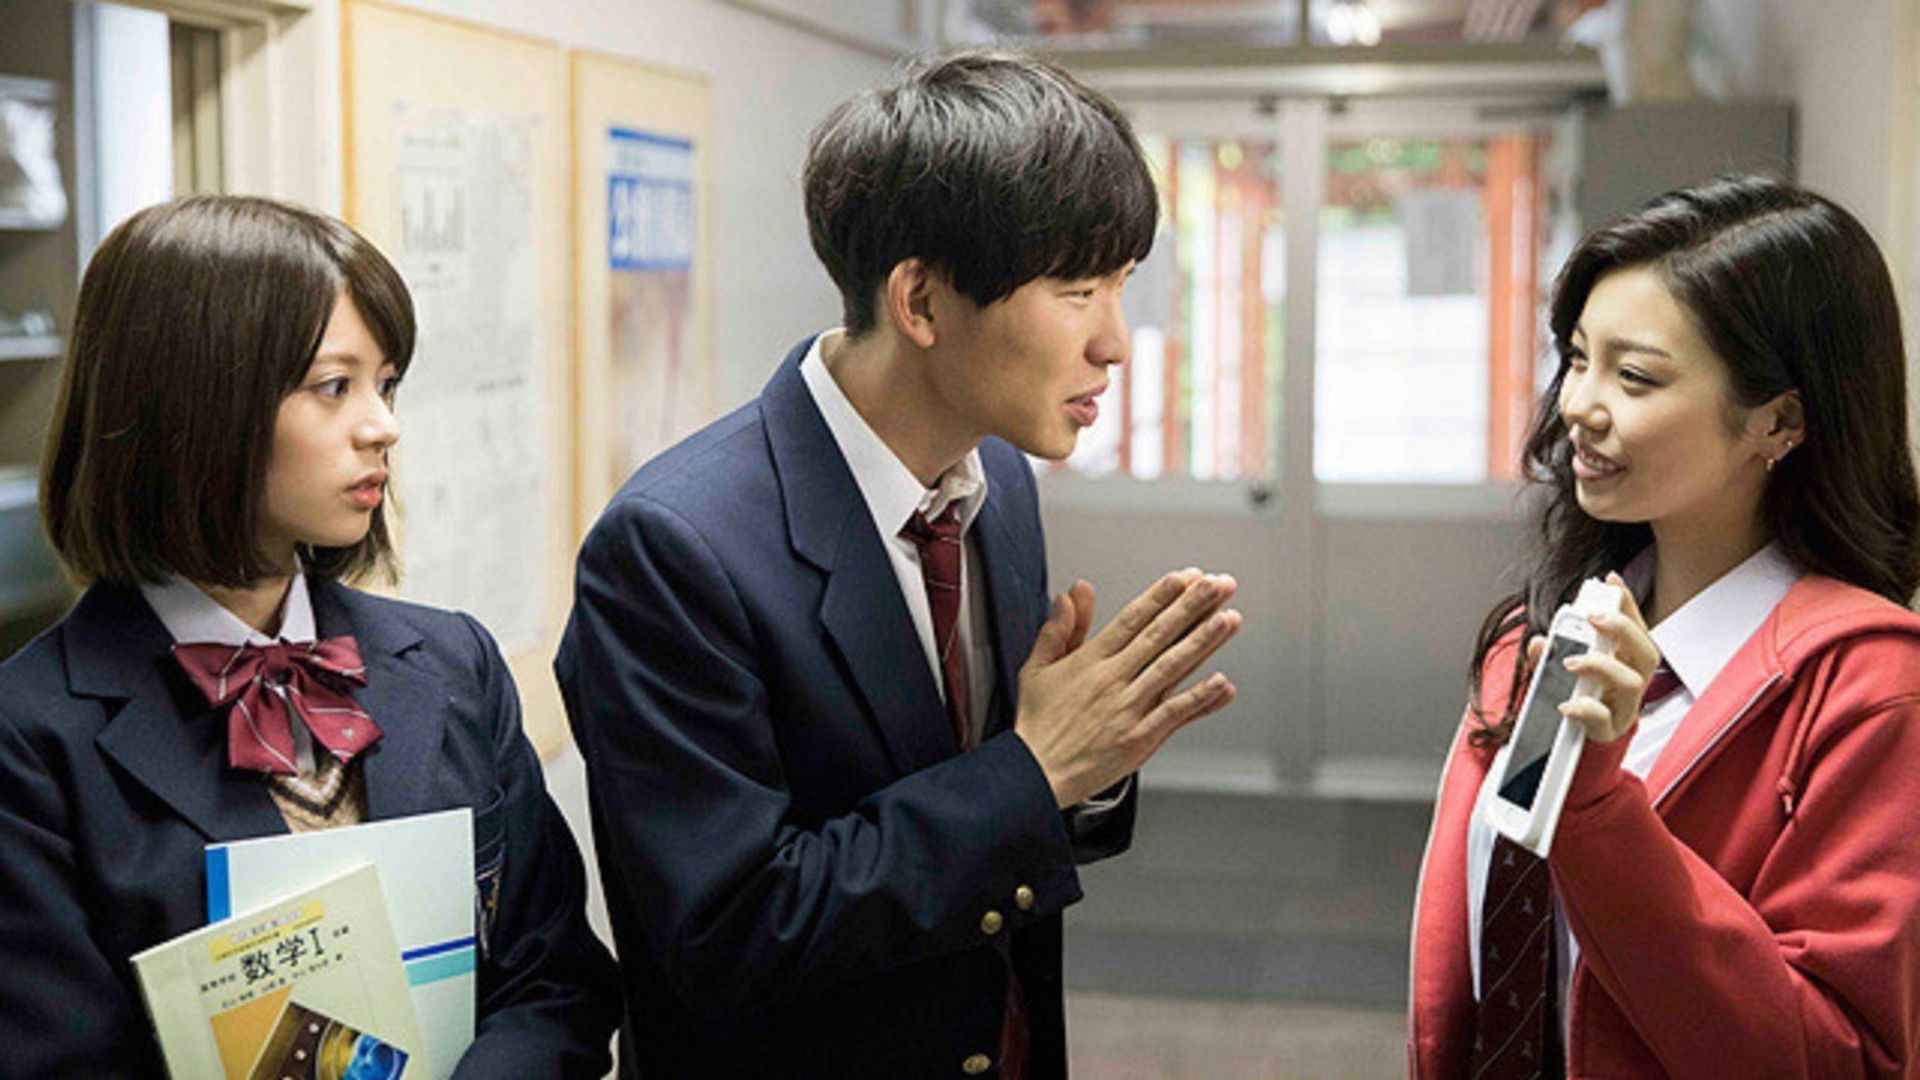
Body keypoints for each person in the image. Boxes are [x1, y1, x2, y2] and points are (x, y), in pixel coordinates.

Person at [556, 50, 1241, 1079]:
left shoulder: (997, 478)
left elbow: (1002, 827)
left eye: (1122, 287)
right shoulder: (673, 549)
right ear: (921, 302)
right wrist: (1037, 768)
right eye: (1076, 289)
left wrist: (1086, 762)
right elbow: (731, 932)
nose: (1115, 342)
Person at [0, 195, 620, 1077]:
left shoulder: (455, 662)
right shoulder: (30, 740)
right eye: (335, 387)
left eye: (386, 384)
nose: (382, 425)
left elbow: (555, 982)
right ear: (196, 405)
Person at [1408, 174, 1920, 1079]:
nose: (1578, 405)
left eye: (1635, 376)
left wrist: (1600, 814)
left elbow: (1833, 1059)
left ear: (1779, 421)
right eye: (1577, 358)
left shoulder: (1868, 690)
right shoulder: (1545, 631)